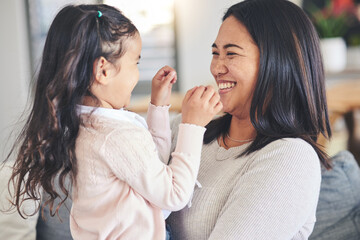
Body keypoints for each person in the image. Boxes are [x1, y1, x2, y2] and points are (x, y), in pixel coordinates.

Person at [4, 4, 222, 240]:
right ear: (103, 71)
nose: (138, 74)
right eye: (135, 63)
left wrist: (158, 106)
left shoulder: (85, 125)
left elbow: (150, 167)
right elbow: (174, 194)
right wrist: (193, 125)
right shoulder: (114, 135)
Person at [167, 0, 332, 239]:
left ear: (277, 61)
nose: (216, 68)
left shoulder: (291, 158)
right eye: (215, 53)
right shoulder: (188, 129)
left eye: (231, 54)